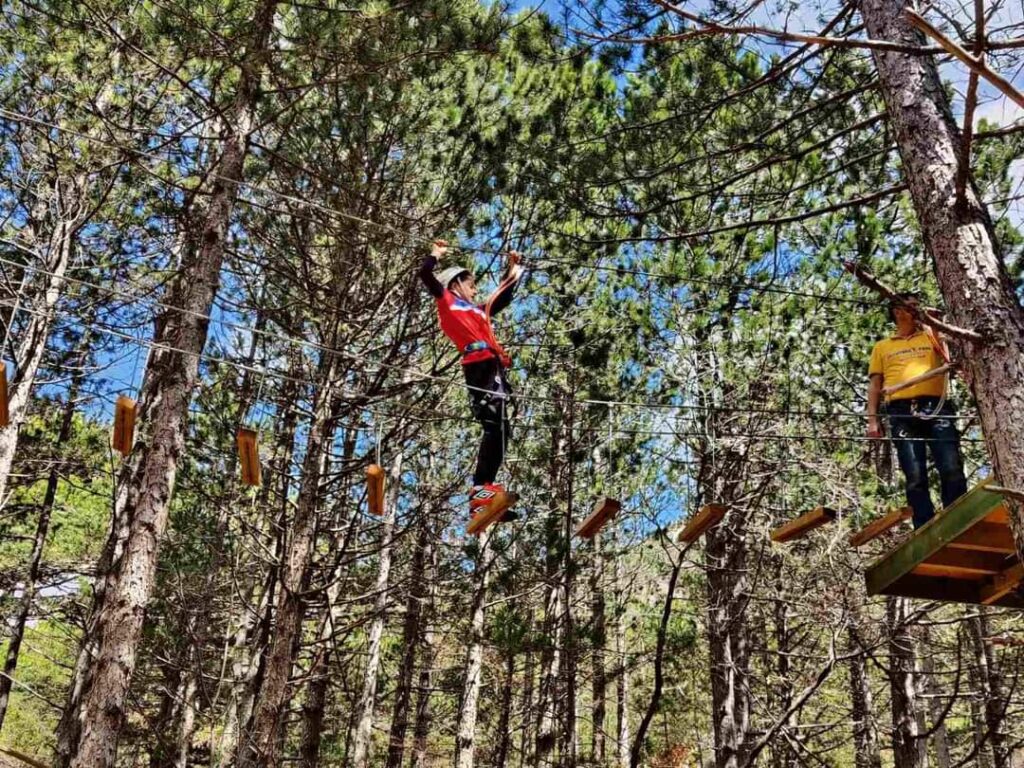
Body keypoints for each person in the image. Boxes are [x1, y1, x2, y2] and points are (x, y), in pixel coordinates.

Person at [418, 239, 524, 516]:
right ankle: (479, 496)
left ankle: (484, 493)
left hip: (492, 365)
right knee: (493, 425)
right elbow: (425, 275)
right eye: (472, 284)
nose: (475, 289)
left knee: (501, 431)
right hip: (478, 366)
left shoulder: (478, 311)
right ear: (456, 284)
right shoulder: (447, 300)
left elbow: (501, 297)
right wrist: (435, 255)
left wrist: (515, 268)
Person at [866, 292, 968, 528]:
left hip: (937, 406)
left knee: (951, 466)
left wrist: (934, 325)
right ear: (898, 312)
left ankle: (958, 520)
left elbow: (947, 358)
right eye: (912, 307)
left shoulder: (931, 337)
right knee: (914, 474)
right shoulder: (882, 346)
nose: (917, 311)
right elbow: (874, 385)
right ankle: (925, 527)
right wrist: (872, 420)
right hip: (900, 411)